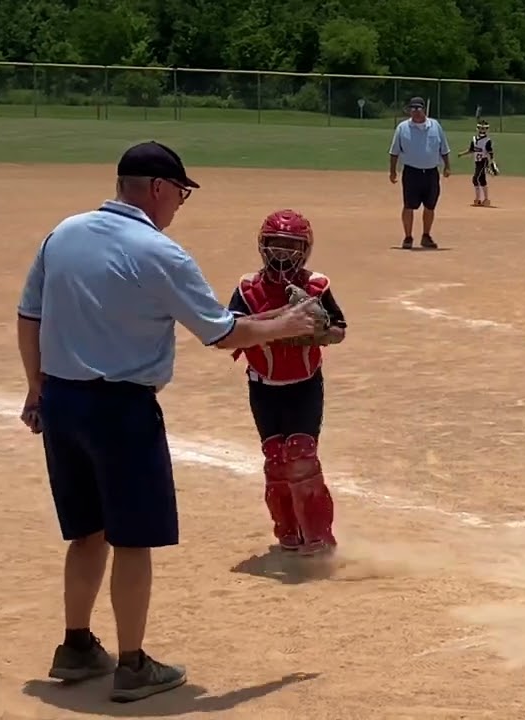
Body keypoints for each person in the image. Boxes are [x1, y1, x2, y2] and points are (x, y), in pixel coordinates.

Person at [16, 141, 323, 703]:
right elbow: (223, 333)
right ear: (156, 188)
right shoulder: (160, 252)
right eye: (180, 192)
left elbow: (29, 314)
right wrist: (290, 322)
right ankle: (133, 665)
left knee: (87, 531)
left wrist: (36, 388)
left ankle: (77, 647)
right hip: (121, 410)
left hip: (61, 401)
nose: (180, 204)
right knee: (133, 538)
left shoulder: (64, 232)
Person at [226, 209, 346, 558]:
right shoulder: (248, 289)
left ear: (304, 249)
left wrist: (321, 332)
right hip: (263, 386)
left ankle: (319, 535)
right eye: (275, 245)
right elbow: (231, 331)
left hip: (304, 384)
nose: (282, 254)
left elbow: (339, 331)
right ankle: (287, 531)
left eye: (290, 247)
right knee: (275, 456)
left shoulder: (315, 287)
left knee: (301, 453)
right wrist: (280, 319)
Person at [388, 96, 450, 249]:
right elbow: (394, 152)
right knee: (409, 205)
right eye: (412, 108)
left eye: (418, 108)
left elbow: (444, 148)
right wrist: (393, 171)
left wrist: (447, 166)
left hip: (431, 172)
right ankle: (408, 237)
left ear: (424, 109)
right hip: (411, 172)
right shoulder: (402, 128)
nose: (415, 111)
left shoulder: (435, 126)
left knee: (430, 205)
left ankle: (426, 236)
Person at [457, 120, 497, 207]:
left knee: (475, 179)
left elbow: (490, 152)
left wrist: (492, 162)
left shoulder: (487, 140)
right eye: (480, 128)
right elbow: (471, 150)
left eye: (484, 129)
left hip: (483, 161)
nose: (482, 130)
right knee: (482, 179)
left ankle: (478, 199)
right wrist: (462, 154)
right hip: (477, 162)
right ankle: (486, 200)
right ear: (477, 129)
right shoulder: (474, 139)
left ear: (487, 130)